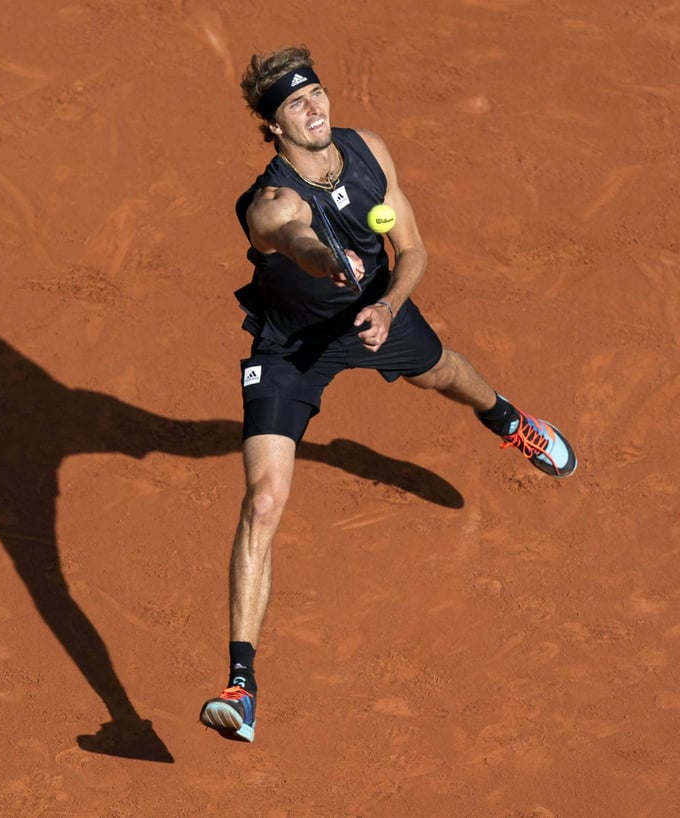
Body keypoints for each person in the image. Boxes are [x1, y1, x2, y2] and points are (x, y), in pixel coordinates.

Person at [198, 46, 577, 743]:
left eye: (316, 92)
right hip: (291, 349)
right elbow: (291, 237)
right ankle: (241, 685)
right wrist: (324, 259)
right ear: (273, 128)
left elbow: (415, 249)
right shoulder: (272, 202)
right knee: (263, 500)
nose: (315, 108)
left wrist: (389, 304)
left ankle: (509, 419)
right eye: (295, 104)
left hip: (374, 315)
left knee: (442, 374)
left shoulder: (368, 152)